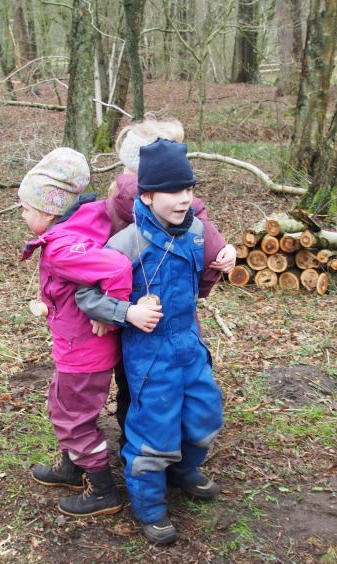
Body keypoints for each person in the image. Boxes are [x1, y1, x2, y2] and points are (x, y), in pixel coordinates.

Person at [76, 139, 225, 544]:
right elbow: (87, 296)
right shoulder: (126, 244)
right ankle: (150, 506)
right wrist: (128, 313)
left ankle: (183, 470)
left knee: (206, 416)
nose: (185, 199)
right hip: (150, 355)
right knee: (153, 430)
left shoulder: (196, 232)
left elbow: (201, 287)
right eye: (174, 191)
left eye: (190, 189)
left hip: (189, 347)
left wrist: (220, 264)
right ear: (147, 195)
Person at [18, 147, 161, 517]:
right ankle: (73, 466)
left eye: (27, 209)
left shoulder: (62, 247)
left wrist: (111, 310)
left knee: (73, 417)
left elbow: (114, 267)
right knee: (62, 405)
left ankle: (101, 489)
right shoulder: (80, 224)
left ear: (49, 211)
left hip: (82, 352)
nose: (22, 215)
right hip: (77, 345)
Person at [101, 117, 236, 453]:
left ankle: (140, 449)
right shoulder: (184, 209)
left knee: (138, 387)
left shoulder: (114, 201)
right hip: (163, 318)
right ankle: (155, 458)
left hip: (133, 321)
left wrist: (110, 306)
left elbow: (94, 261)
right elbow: (208, 260)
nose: (183, 197)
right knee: (167, 390)